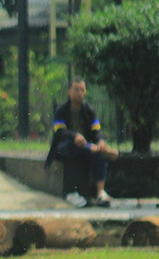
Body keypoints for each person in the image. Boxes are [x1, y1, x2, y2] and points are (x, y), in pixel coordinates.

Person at [45, 77, 118, 207]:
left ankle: (100, 193)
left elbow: (96, 129)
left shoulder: (88, 110)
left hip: (86, 146)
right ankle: (71, 193)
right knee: (74, 146)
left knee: (97, 155)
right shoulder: (61, 110)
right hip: (64, 146)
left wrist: (100, 141)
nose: (79, 93)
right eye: (76, 89)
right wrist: (75, 136)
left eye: (82, 90)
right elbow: (59, 131)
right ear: (69, 91)